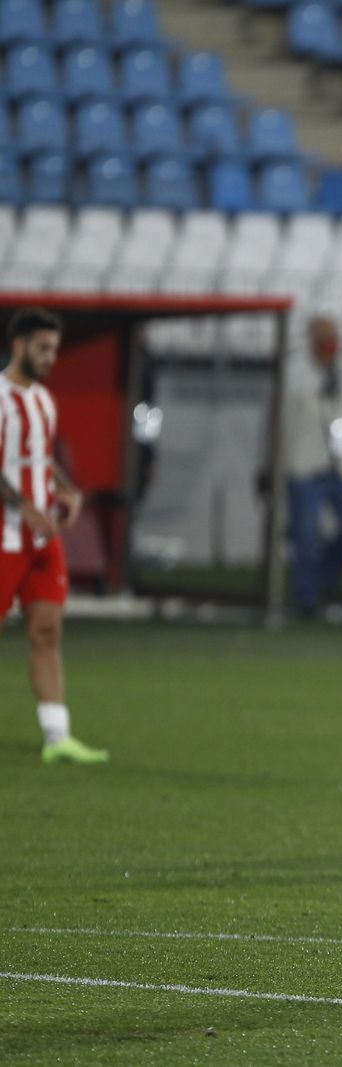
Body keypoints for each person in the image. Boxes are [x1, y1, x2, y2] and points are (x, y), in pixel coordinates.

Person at [0, 308, 107, 765]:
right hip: (4, 535)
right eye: (43, 348)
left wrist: (67, 491)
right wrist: (19, 504)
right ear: (19, 344)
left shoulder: (43, 399)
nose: (50, 357)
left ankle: (56, 736)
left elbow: (40, 458)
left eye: (55, 349)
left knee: (47, 630)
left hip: (43, 540)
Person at [279, 316, 342, 618]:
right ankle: (306, 595)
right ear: (311, 338)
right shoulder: (293, 372)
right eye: (324, 335)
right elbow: (278, 420)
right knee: (305, 532)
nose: (330, 341)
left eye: (333, 335)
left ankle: (323, 576)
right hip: (304, 460)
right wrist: (272, 462)